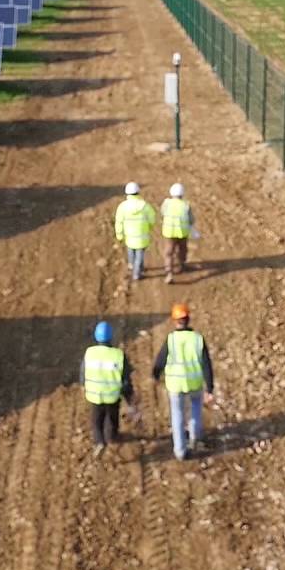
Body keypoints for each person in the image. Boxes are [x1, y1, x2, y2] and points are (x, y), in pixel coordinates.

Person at [151, 303, 215, 460]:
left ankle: (180, 451)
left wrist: (155, 375)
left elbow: (161, 359)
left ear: (175, 321)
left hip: (175, 385)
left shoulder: (171, 340)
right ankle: (195, 438)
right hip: (194, 384)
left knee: (177, 415)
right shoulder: (198, 339)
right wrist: (210, 388)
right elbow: (207, 365)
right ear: (188, 319)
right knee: (195, 411)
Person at [82, 321, 137, 457]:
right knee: (112, 417)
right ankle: (112, 436)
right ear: (111, 337)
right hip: (112, 394)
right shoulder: (118, 355)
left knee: (96, 420)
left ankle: (99, 441)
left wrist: (84, 385)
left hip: (95, 394)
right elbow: (125, 378)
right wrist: (129, 395)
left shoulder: (90, 353)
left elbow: (83, 373)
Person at [114, 181, 156, 281]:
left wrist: (119, 235)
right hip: (142, 237)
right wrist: (149, 227)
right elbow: (152, 219)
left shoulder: (122, 207)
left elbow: (119, 222)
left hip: (129, 237)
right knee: (140, 255)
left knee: (131, 252)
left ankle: (132, 267)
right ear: (138, 192)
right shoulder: (145, 206)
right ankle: (137, 274)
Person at [159, 182, 195, 284]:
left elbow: (162, 213)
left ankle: (169, 273)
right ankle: (182, 265)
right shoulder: (186, 205)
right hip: (182, 232)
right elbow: (191, 220)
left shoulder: (166, 204)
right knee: (182, 250)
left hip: (169, 232)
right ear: (182, 194)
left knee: (169, 253)